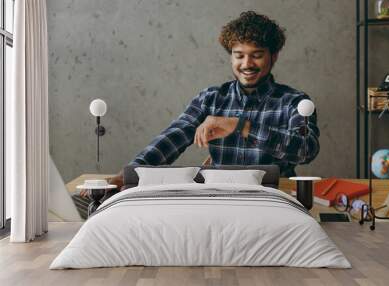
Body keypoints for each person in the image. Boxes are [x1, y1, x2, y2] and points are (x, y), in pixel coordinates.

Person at [96, 11, 320, 192]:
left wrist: (240, 126)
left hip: (275, 200)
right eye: (239, 55)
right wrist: (128, 174)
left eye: (257, 55)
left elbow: (306, 150)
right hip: (218, 198)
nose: (246, 63)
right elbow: (172, 138)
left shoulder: (294, 102)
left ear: (274, 56)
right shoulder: (210, 99)